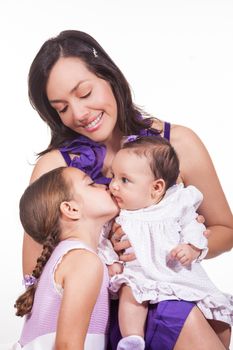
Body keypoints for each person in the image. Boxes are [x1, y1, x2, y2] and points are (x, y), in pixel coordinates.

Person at [22, 29, 233, 349]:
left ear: (110, 77)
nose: (79, 114)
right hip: (98, 317)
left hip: (172, 292)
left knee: (201, 321)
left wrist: (179, 242)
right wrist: (102, 250)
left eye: (85, 92)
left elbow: (225, 228)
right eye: (62, 107)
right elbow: (37, 276)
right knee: (180, 318)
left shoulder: (178, 143)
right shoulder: (55, 169)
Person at [100, 135, 232, 350]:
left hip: (178, 274)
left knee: (220, 319)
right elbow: (101, 241)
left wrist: (192, 247)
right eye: (113, 176)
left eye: (124, 180)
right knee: (130, 294)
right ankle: (132, 338)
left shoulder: (176, 203)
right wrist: (110, 260)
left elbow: (193, 225)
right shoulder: (121, 214)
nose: (113, 186)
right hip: (142, 274)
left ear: (157, 187)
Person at [14, 166, 119, 349]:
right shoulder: (83, 261)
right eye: (92, 184)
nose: (105, 186)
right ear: (71, 208)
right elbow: (67, 345)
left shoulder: (66, 256)